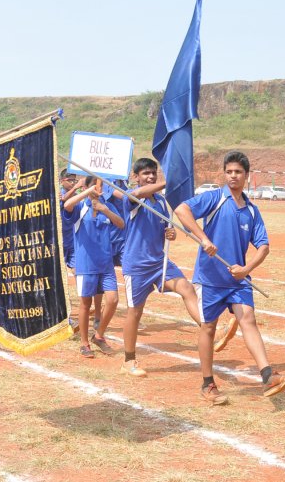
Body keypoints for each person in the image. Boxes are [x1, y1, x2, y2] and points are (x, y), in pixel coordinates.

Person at [175, 151, 285, 405]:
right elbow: (181, 210)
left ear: (246, 175)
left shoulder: (251, 211)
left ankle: (267, 375)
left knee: (248, 319)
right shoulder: (214, 198)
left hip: (238, 280)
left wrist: (246, 268)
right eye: (229, 172)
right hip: (210, 278)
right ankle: (208, 384)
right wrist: (203, 238)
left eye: (238, 172)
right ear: (224, 174)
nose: (233, 176)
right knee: (208, 327)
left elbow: (263, 247)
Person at [119, 158, 203, 377]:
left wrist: (171, 234)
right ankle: (128, 360)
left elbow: (166, 230)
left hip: (159, 262)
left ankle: (208, 328)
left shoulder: (163, 203)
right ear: (135, 177)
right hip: (137, 266)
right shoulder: (132, 198)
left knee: (187, 288)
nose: (150, 176)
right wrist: (169, 183)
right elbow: (139, 194)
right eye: (145, 173)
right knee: (135, 312)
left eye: (153, 173)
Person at [62, 176, 124, 358]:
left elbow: (121, 224)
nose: (99, 189)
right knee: (85, 303)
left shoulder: (107, 206)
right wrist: (87, 192)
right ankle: (84, 343)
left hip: (106, 264)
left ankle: (98, 335)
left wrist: (104, 209)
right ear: (88, 188)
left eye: (101, 186)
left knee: (113, 300)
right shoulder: (80, 207)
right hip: (86, 265)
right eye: (96, 186)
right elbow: (67, 205)